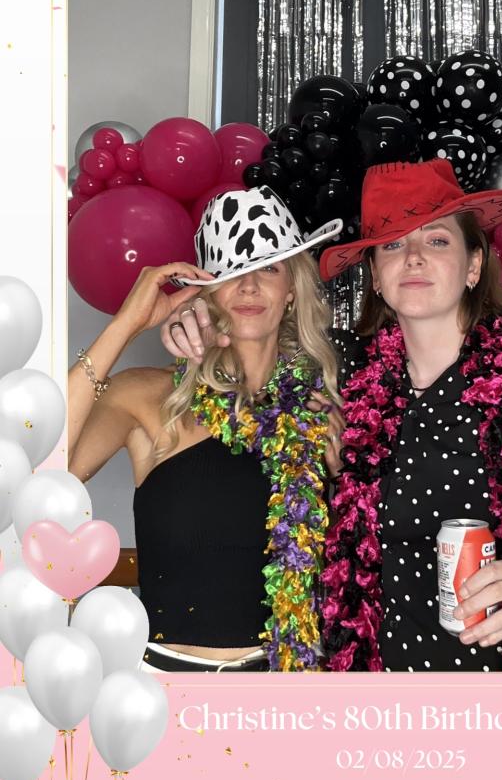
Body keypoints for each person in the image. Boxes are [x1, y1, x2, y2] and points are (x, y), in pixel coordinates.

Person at [163, 160, 502, 674]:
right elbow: (251, 337)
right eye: (392, 245)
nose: (413, 257)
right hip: (373, 700)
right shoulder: (340, 373)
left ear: (474, 265)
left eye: (436, 240)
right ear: (375, 275)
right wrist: (192, 315)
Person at [69, 185, 344, 673]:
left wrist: (338, 465)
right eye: (233, 273)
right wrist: (128, 323)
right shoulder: (148, 398)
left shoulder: (319, 412)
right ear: (207, 291)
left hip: (286, 690)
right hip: (163, 689)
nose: (250, 287)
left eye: (269, 269)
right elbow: (41, 461)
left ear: (292, 290)